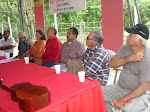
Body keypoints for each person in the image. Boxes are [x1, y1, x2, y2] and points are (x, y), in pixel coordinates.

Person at [102, 23, 150, 112]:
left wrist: (122, 100)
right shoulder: (125, 48)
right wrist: (129, 58)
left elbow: (144, 87)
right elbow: (111, 63)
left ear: (139, 41)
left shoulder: (148, 58)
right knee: (96, 94)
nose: (127, 37)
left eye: (131, 35)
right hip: (119, 87)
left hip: (139, 93)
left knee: (128, 108)